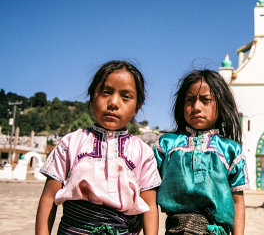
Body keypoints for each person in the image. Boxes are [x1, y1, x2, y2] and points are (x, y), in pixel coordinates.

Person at [35, 60, 161, 235]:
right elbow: (49, 198)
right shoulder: (71, 143)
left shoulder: (143, 153)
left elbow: (149, 207)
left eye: (126, 96)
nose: (114, 103)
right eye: (105, 92)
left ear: (137, 107)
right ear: (92, 96)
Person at [153, 70, 249, 235]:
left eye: (206, 100)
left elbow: (238, 203)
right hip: (175, 228)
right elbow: (149, 195)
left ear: (221, 103)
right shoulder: (166, 145)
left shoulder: (231, 150)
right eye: (190, 100)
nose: (196, 107)